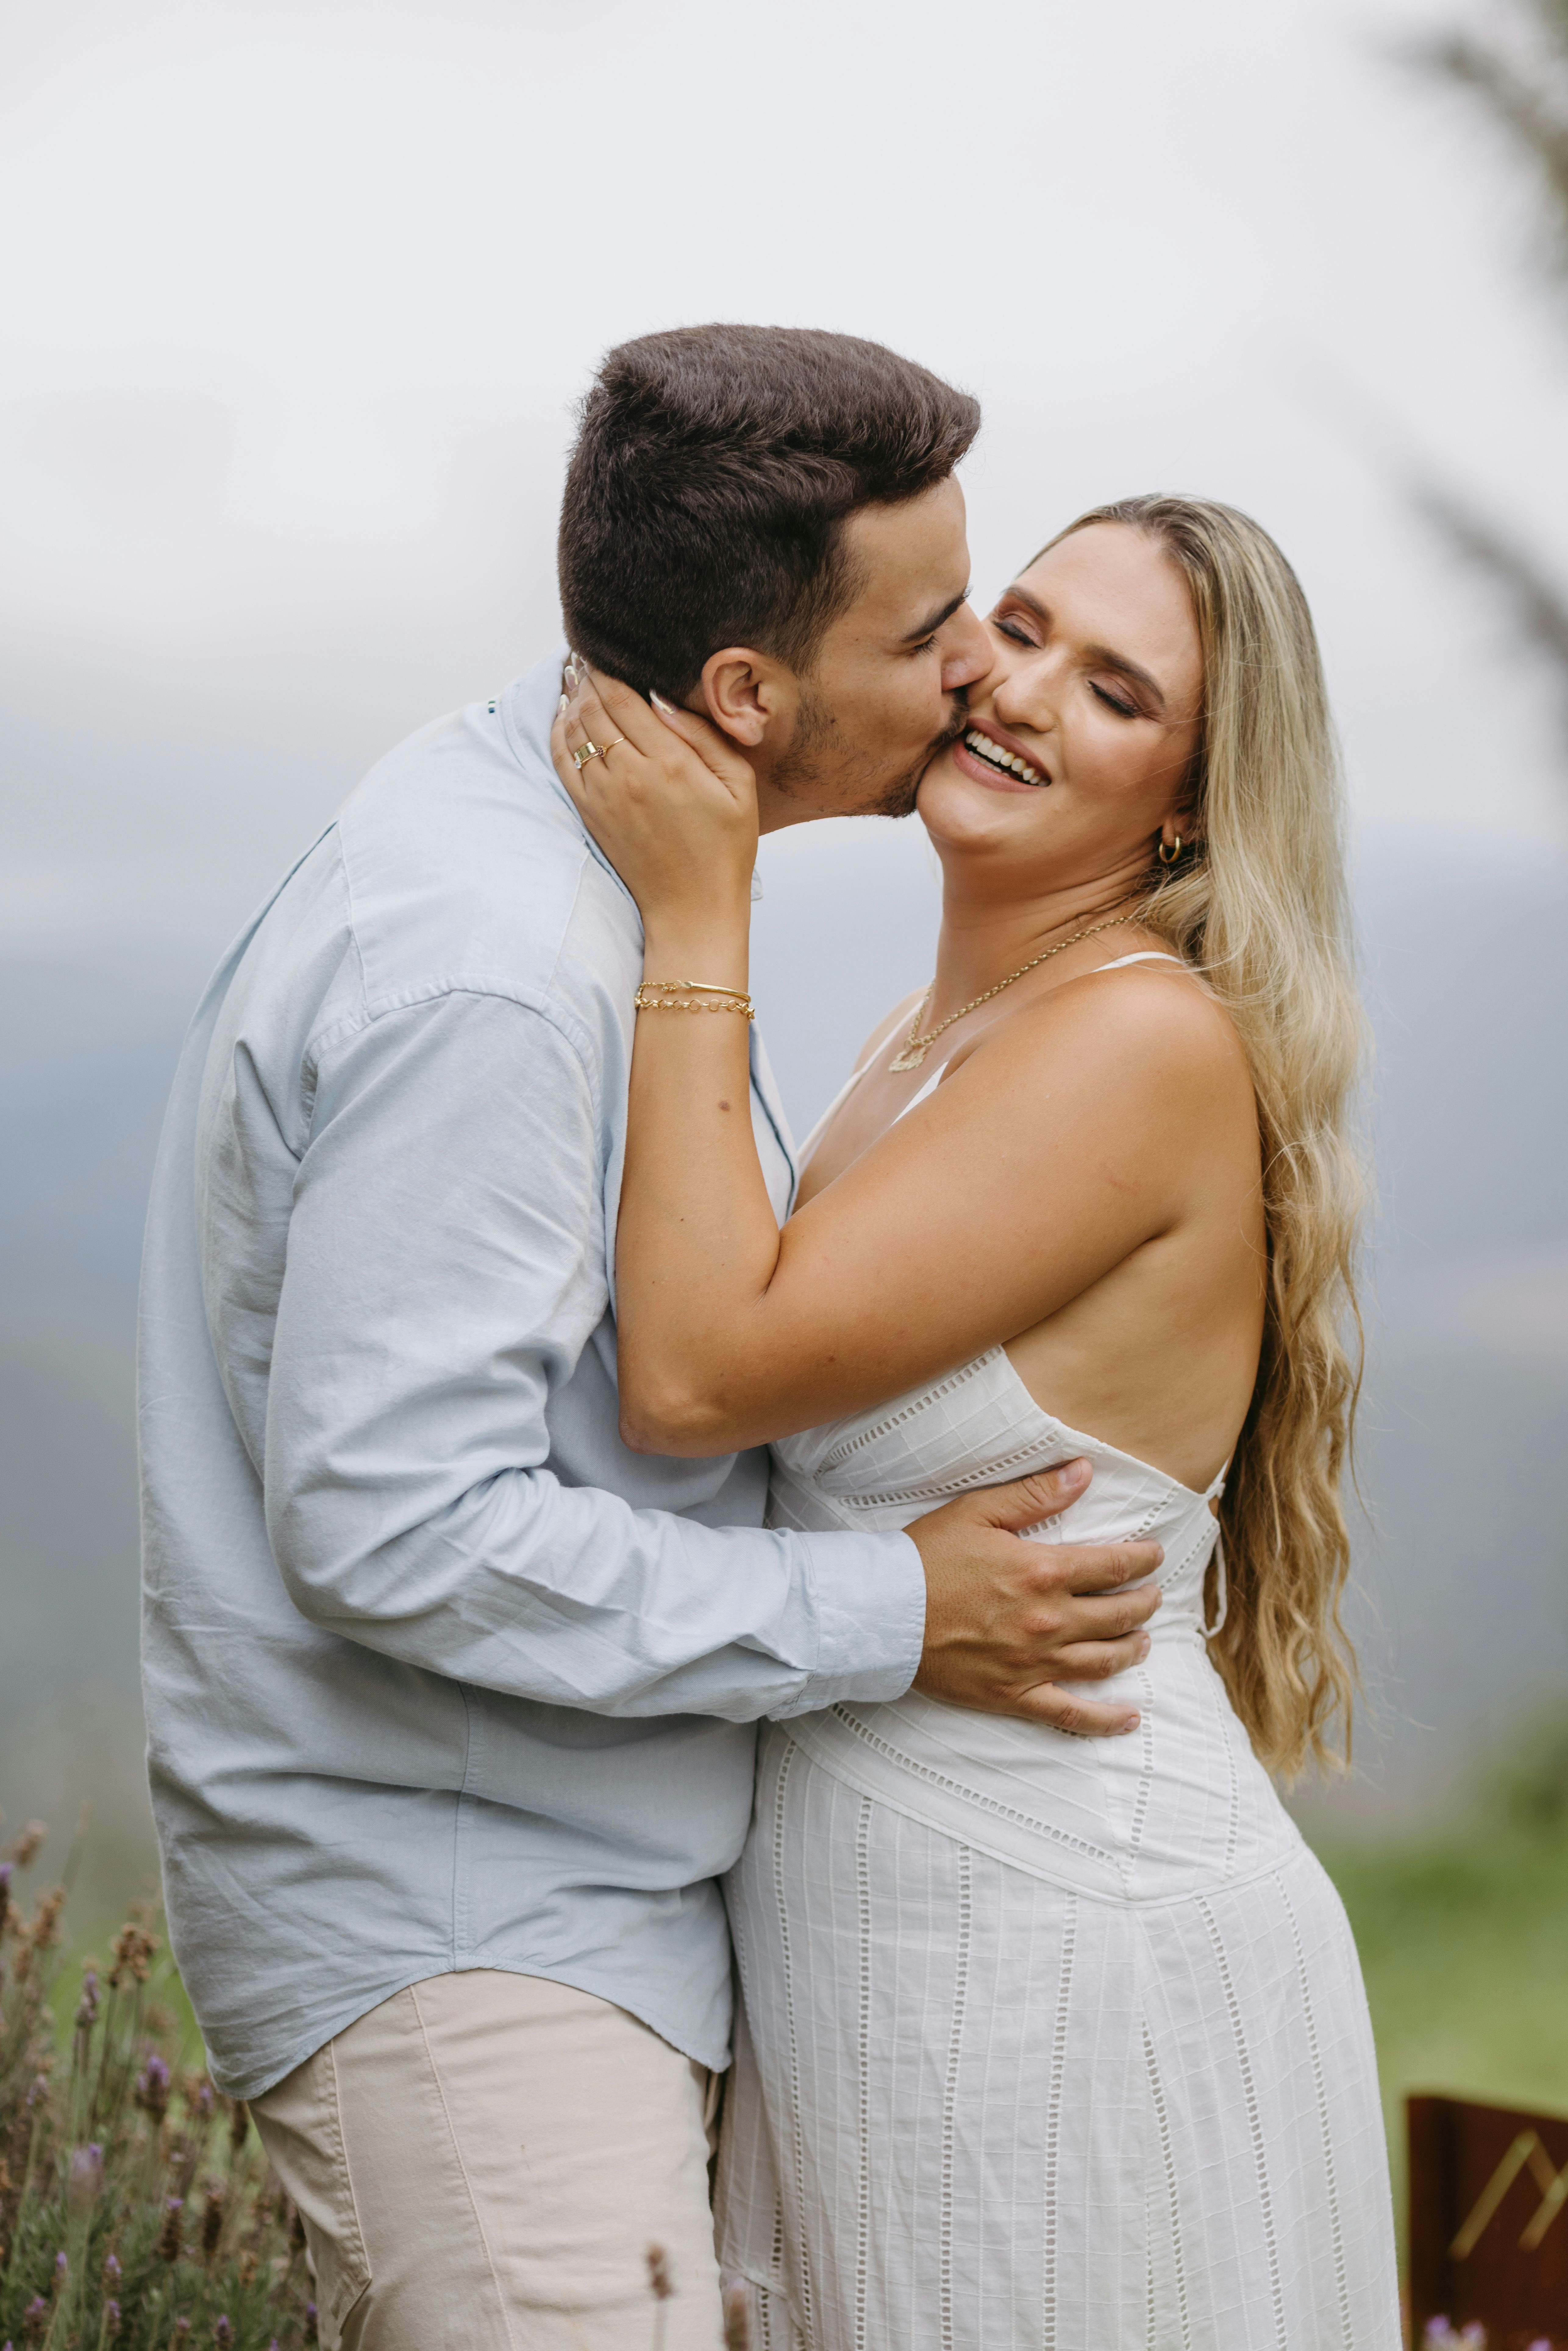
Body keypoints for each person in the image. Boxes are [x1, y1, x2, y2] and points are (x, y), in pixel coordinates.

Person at [136, 326, 1167, 2351]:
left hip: (566, 1911)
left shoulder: (556, 816)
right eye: (933, 625)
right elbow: (393, 1528)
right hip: (463, 1941)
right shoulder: (507, 972)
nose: (976, 668)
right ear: (744, 694)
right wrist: (888, 1614)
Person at [554, 494, 1402, 2349]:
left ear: (1183, 799)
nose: (1019, 693)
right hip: (889, 1937)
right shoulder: (933, 1032)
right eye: (1017, 628)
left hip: (1060, 1941)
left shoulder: (1133, 1041)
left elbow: (697, 1375)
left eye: (1113, 691)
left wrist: (699, 903)